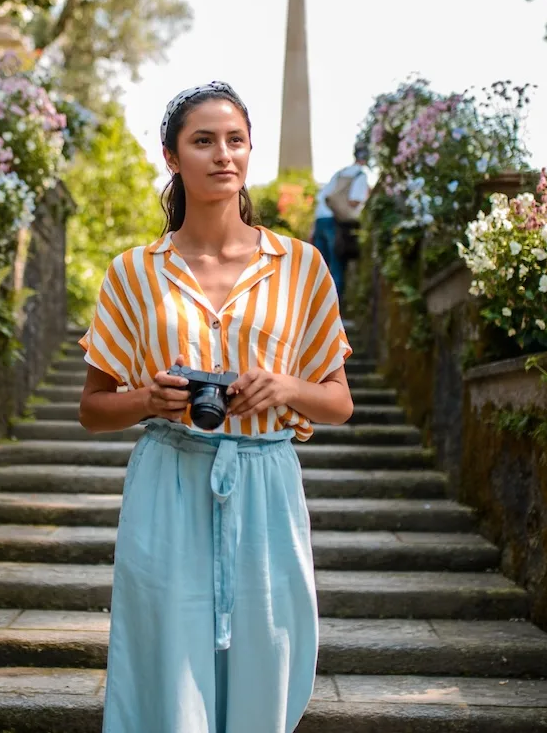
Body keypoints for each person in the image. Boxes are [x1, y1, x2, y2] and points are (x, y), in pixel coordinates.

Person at [78, 81, 355, 733]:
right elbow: (93, 407)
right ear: (172, 156)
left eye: (235, 140)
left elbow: (338, 401)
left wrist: (285, 389)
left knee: (268, 656)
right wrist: (148, 398)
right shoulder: (132, 272)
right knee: (166, 666)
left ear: (250, 150)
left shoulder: (303, 267)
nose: (222, 154)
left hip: (266, 483)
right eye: (202, 140)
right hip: (168, 481)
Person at [311, 145, 370, 300]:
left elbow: (323, 196)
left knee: (319, 268)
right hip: (336, 221)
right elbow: (354, 201)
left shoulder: (339, 174)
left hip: (320, 219)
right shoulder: (360, 176)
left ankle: (313, 310)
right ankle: (332, 313)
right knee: (337, 267)